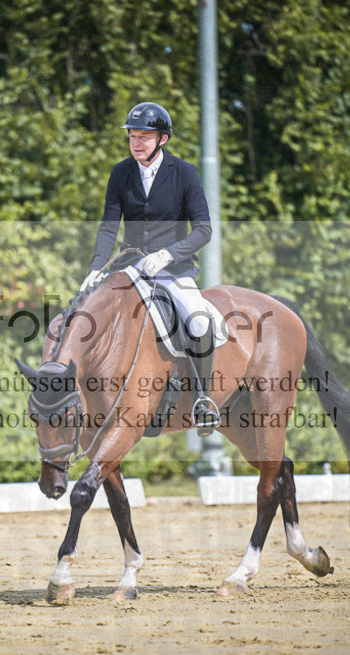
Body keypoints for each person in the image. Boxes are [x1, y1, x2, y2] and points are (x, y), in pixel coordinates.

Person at [79, 101, 220, 436]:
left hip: (173, 270)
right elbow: (109, 226)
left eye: (145, 136)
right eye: (133, 136)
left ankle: (204, 400)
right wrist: (96, 268)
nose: (137, 142)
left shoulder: (184, 173)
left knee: (199, 322)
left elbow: (203, 230)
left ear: (163, 139)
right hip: (130, 270)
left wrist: (168, 255)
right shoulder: (120, 173)